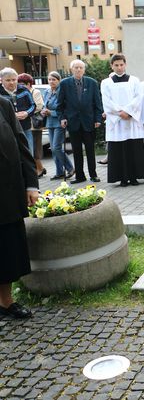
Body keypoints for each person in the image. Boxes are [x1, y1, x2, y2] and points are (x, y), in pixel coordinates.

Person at [0, 95, 39, 319]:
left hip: (6, 192)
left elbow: (21, 144)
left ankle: (6, 302)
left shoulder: (3, 104)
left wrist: (31, 185)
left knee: (7, 250)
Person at [101, 54, 144, 186]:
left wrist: (128, 112)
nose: (119, 67)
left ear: (125, 65)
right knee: (119, 150)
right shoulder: (106, 83)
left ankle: (134, 177)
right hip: (116, 122)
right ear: (112, 66)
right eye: (116, 65)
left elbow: (139, 98)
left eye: (121, 64)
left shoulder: (134, 80)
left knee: (133, 149)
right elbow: (106, 100)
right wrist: (119, 113)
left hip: (131, 120)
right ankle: (122, 178)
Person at [58, 60, 103, 184]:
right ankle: (80, 176)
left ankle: (93, 175)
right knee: (77, 151)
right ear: (72, 69)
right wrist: (62, 118)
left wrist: (98, 118)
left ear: (84, 69)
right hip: (73, 122)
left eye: (81, 67)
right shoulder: (65, 83)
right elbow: (60, 104)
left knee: (90, 150)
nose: (78, 70)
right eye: (76, 67)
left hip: (89, 121)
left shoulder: (92, 83)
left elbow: (98, 103)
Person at [42, 71, 74, 180]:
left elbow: (64, 108)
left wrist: (51, 112)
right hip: (49, 122)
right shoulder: (47, 91)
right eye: (49, 79)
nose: (51, 81)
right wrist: (43, 111)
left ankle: (70, 168)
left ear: (59, 81)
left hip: (59, 122)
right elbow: (44, 105)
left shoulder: (62, 91)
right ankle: (59, 172)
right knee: (53, 149)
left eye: (54, 79)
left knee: (56, 147)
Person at [0, 68, 35, 155]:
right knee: (12, 155)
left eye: (14, 80)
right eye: (8, 80)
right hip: (7, 130)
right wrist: (13, 115)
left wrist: (26, 113)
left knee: (29, 153)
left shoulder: (24, 90)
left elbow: (33, 105)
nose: (11, 82)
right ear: (1, 80)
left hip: (25, 127)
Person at [18, 74, 46, 177]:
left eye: (21, 84)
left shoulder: (35, 92)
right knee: (29, 149)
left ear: (28, 84)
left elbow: (39, 106)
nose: (19, 86)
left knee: (36, 149)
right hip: (25, 125)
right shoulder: (19, 93)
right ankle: (40, 168)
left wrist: (26, 112)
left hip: (34, 124)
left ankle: (39, 169)